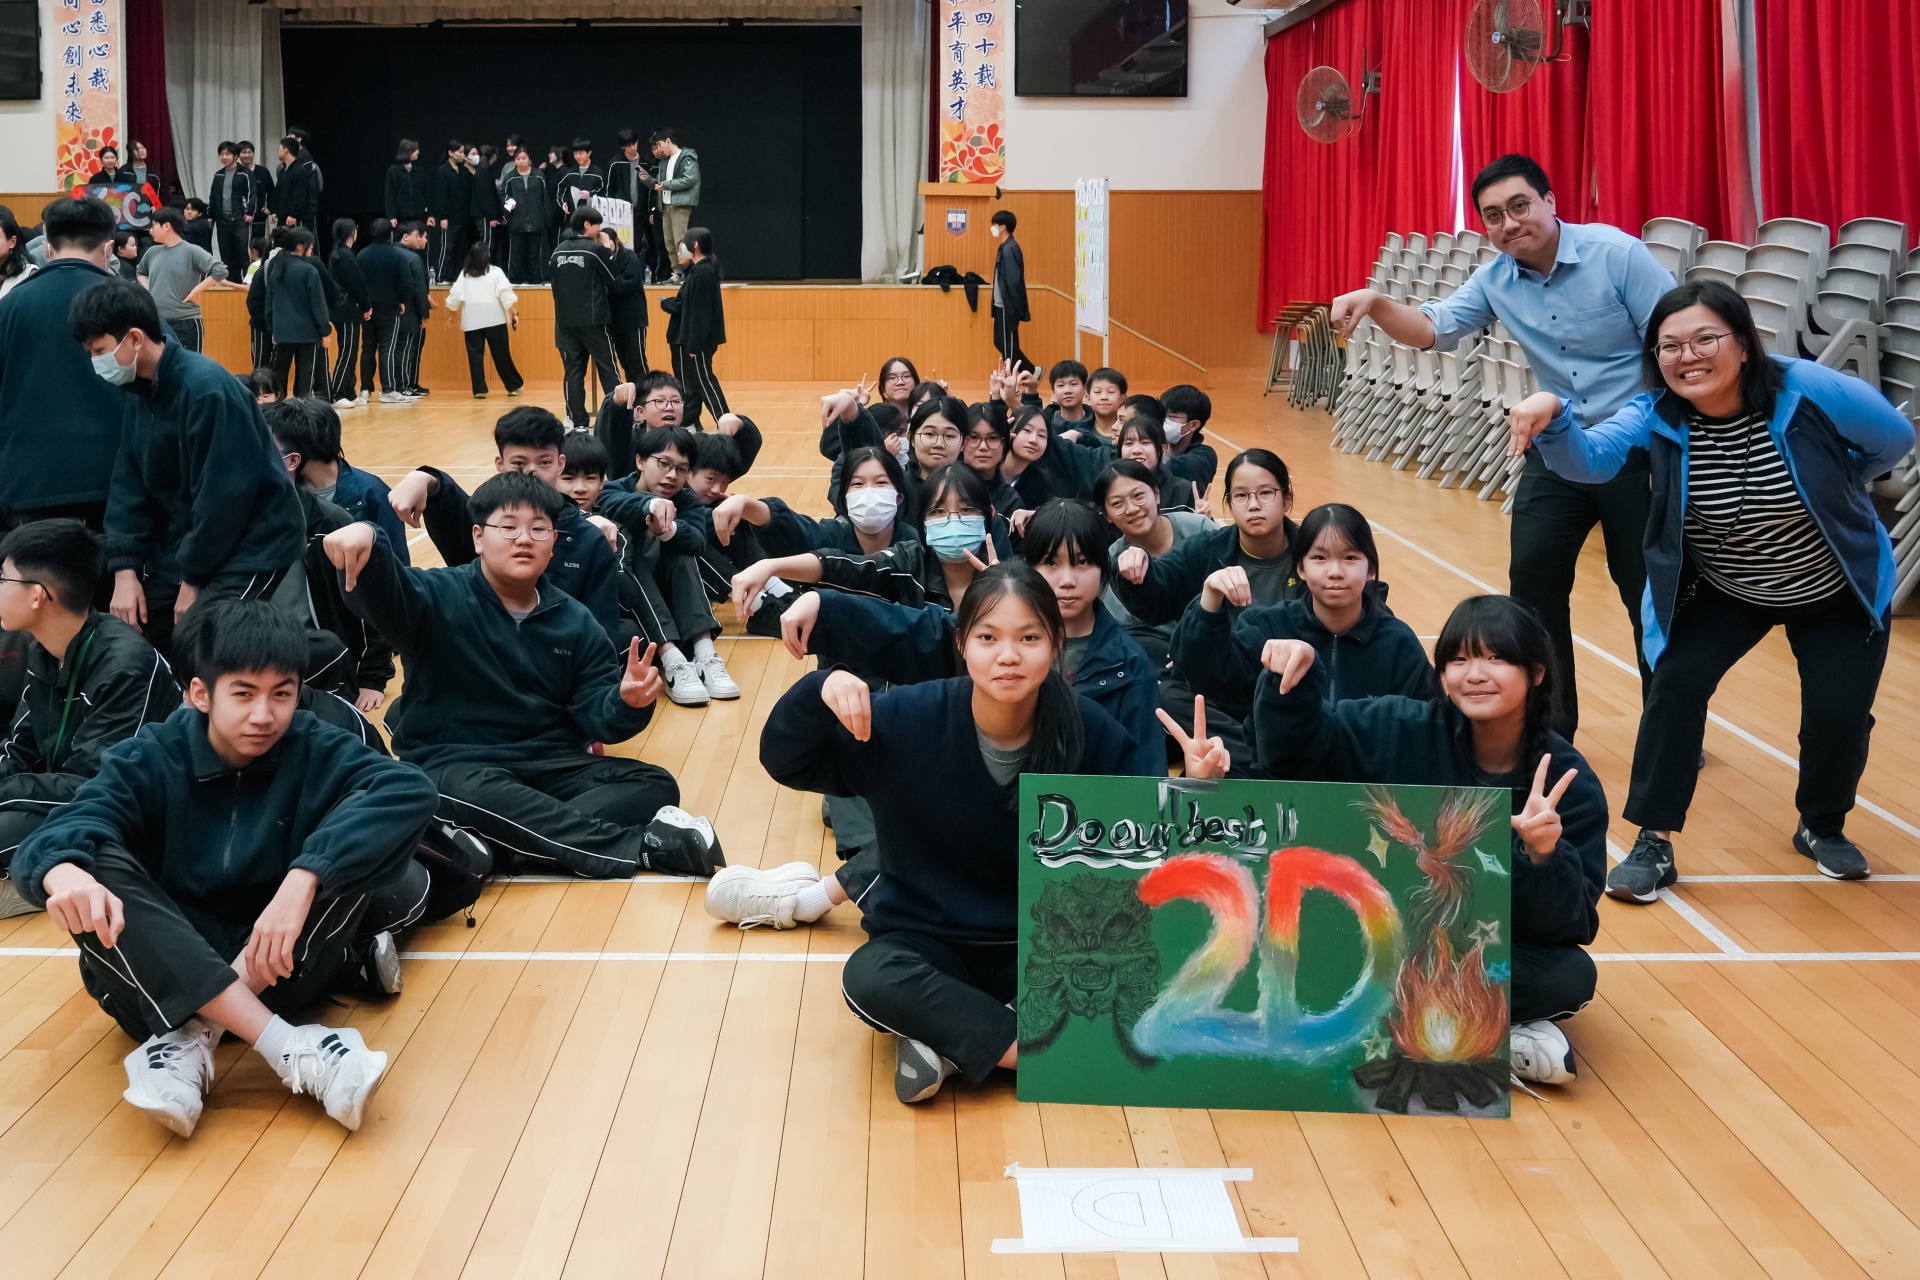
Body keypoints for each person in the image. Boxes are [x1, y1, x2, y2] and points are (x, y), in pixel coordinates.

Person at [1508, 281, 1915, 895]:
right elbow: (1589, 461)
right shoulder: (1655, 415)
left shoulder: (1807, 390)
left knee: (1838, 715)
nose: (1688, 356)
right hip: (1728, 585)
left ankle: (1822, 826)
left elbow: (1894, 439)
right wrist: (1555, 412)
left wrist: (1841, 480)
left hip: (1837, 587)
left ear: (1744, 344)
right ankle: (1653, 841)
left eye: (1705, 338)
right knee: (1673, 687)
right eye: (1669, 346)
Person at [10, 600, 433, 1136]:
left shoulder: (314, 745)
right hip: (153, 990)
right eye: (244, 694)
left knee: (350, 848)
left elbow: (408, 789)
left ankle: (191, 1041)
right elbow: (56, 833)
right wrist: (62, 871)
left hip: (278, 968)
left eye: (282, 694)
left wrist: (303, 879)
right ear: (199, 693)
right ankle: (289, 1047)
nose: (264, 715)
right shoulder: (152, 756)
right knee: (85, 860)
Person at [756, 562, 1151, 1102]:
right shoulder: (906, 719)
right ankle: (1034, 1051)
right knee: (869, 976)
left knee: (1135, 963)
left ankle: (949, 1044)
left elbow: (1143, 828)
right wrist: (818, 689)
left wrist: (1199, 786)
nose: (1008, 655)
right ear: (961, 643)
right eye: (988, 638)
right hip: (927, 942)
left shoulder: (1086, 728)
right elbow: (787, 761)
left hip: (1041, 945)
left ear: (1056, 644)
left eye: (1029, 638)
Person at [1331, 154, 1674, 740]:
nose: (1510, 223)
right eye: (1494, 215)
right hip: (1557, 442)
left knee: (1645, 592)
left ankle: (1670, 728)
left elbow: (1676, 337)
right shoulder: (1496, 279)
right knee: (1533, 587)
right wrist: (1377, 302)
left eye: (1520, 206)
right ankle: (1550, 729)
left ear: (1549, 201)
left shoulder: (1617, 256)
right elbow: (1434, 329)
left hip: (1635, 449)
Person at [1239, 594, 1608, 1086]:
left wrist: (1543, 858)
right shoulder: (1401, 727)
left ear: (1537, 672)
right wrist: (1295, 683)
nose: (1475, 674)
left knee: (1569, 976)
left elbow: (1568, 926)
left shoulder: (1570, 784)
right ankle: (1485, 1029)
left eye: (1496, 658)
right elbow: (1298, 753)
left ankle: (1397, 1017)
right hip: (1377, 935)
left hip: (1473, 955)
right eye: (1459, 659)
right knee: (1290, 938)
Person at [322, 471, 725, 880]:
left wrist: (626, 702)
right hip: (457, 765)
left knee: (654, 783)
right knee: (453, 792)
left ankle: (507, 845)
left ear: (553, 542)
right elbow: (380, 594)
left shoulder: (575, 621)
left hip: (548, 765)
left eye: (538, 529)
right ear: (478, 537)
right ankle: (639, 849)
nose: (524, 539)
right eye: (508, 527)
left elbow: (597, 715)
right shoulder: (435, 595)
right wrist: (367, 534)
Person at [76, 281, 305, 653]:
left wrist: (192, 580)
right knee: (135, 633)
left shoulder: (207, 390)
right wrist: (125, 569)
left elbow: (223, 500)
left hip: (253, 543)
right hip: (189, 545)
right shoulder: (139, 391)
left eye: (99, 351)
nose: (94, 362)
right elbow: (128, 486)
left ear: (134, 338)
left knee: (202, 644)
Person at [0, 520, 178, 919]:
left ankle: (31, 885)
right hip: (66, 800)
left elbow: (95, 783)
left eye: (2, 579)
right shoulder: (44, 651)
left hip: (132, 817)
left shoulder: (124, 665)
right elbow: (18, 749)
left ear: (37, 595)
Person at [1170, 503, 1438, 738]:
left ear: (1371, 569)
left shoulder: (1398, 642)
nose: (1335, 571)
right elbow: (1207, 676)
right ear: (1300, 568)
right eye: (1319, 558)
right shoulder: (1267, 626)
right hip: (1281, 773)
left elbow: (1429, 724)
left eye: (1350, 558)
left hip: (1367, 778)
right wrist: (1209, 601)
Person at [1112, 449, 1300, 759]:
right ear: (1229, 503)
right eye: (1241, 496)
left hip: (1289, 684)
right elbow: (1158, 597)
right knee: (1168, 695)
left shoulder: (1310, 553)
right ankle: (1260, 760)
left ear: (1287, 499)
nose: (1254, 505)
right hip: (1222, 690)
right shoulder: (1208, 549)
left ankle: (1251, 758)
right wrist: (1138, 572)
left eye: (1266, 493)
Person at [386, 406, 620, 640]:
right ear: (500, 464)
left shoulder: (590, 539)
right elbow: (455, 509)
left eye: (544, 463)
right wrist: (428, 479)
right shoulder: (485, 526)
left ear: (560, 463)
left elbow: (602, 632)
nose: (532, 472)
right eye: (519, 463)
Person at [0, 197, 122, 532]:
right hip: (114, 480)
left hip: (27, 481)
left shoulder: (10, 305)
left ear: (48, 247)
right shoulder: (129, 303)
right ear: (109, 247)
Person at [598, 425, 739, 705]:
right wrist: (650, 505)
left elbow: (698, 541)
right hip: (627, 598)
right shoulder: (614, 490)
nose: (672, 475)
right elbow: (610, 503)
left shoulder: (687, 501)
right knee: (633, 558)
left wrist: (668, 530)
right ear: (640, 461)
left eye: (682, 469)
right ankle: (672, 660)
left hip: (670, 599)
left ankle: (705, 654)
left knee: (683, 552)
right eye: (664, 464)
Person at [1094, 459, 1214, 669]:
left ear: (1157, 494)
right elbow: (1128, 629)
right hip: (1160, 659)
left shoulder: (1198, 527)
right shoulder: (1113, 562)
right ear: (1107, 516)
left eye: (1138, 495)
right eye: (1117, 504)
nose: (1132, 509)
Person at [549, 208, 626, 429]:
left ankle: (578, 422)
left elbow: (555, 287)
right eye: (597, 225)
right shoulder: (595, 250)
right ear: (586, 225)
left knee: (573, 373)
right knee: (608, 369)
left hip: (565, 322)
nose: (600, 229)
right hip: (594, 321)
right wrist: (608, 248)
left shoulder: (557, 252)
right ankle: (617, 419)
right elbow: (613, 278)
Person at [137, 208, 229, 353]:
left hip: (186, 322)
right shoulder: (152, 252)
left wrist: (196, 290)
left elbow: (221, 270)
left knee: (189, 363)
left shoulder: (192, 251)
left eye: (153, 225)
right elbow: (141, 272)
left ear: (166, 226)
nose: (150, 230)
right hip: (158, 321)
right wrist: (149, 289)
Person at [444, 243, 524, 399]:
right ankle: (513, 385)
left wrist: (452, 314)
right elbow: (505, 294)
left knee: (475, 356)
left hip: (472, 320)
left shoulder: (465, 274)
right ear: (487, 255)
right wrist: (515, 313)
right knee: (501, 354)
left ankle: (479, 389)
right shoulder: (496, 272)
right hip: (494, 319)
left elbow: (456, 296)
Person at [665, 227, 726, 426]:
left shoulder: (702, 272)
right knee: (699, 381)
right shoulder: (702, 269)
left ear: (695, 245)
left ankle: (726, 422)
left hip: (700, 341)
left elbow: (701, 314)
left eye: (685, 244)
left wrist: (694, 345)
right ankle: (698, 421)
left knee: (705, 381)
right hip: (699, 339)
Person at [263, 227, 331, 400]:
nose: (312, 248)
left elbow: (269, 302)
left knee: (279, 372)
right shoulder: (309, 270)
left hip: (283, 331)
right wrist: (325, 330)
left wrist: (273, 329)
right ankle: (301, 409)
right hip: (307, 333)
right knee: (305, 376)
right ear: (300, 246)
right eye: (310, 245)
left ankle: (276, 406)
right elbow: (318, 304)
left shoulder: (276, 267)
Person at [355, 219, 414, 405]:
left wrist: (363, 304)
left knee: (367, 348)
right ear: (390, 234)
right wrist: (402, 300)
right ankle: (388, 389)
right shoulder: (397, 256)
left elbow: (357, 282)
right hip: (390, 308)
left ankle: (365, 389)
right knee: (387, 348)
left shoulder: (362, 255)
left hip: (367, 310)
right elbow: (406, 282)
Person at [1114, 406, 1200, 513]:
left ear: (1163, 449)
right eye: (1129, 443)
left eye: (1145, 443)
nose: (1136, 450)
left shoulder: (1182, 491)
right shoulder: (1108, 488)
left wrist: (1203, 518)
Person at [326, 218, 373, 408]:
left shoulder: (340, 253)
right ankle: (337, 393)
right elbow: (358, 284)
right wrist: (366, 305)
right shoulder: (345, 255)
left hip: (343, 309)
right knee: (347, 352)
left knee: (351, 351)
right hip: (347, 310)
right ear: (352, 232)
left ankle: (349, 392)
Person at [650, 129, 700, 284]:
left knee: (681, 239)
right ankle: (676, 272)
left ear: (668, 141)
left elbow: (690, 178)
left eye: (660, 144)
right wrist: (648, 180)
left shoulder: (686, 156)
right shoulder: (666, 161)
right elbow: (661, 183)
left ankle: (688, 271)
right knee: (669, 241)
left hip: (680, 204)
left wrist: (667, 185)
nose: (658, 149)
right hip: (666, 205)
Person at [601, 226, 649, 384]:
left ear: (616, 241)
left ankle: (647, 394)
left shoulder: (629, 256)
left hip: (633, 320)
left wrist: (608, 284)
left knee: (637, 362)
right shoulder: (602, 260)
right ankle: (634, 397)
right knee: (625, 363)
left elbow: (625, 284)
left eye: (607, 242)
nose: (605, 247)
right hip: (615, 321)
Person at [208, 142, 261, 282]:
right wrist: (211, 215)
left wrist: (250, 212)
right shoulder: (218, 175)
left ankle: (249, 283)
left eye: (228, 154)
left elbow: (252, 194)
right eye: (221, 154)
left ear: (235, 156)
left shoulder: (245, 173)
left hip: (239, 219)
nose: (224, 157)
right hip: (222, 221)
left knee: (243, 253)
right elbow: (213, 197)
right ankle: (232, 283)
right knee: (226, 255)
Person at [394, 221, 433, 397]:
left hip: (391, 311)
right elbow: (419, 289)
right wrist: (424, 314)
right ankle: (406, 385)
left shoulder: (391, 253)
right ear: (405, 236)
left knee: (398, 349)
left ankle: (403, 384)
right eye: (420, 236)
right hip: (410, 312)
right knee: (408, 349)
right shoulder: (412, 258)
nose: (423, 240)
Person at [427, 140, 473, 284]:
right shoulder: (443, 171)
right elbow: (441, 196)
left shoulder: (464, 171)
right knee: (447, 248)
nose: (462, 155)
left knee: (461, 250)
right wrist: (443, 217)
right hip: (450, 218)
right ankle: (441, 277)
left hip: (463, 217)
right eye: (460, 152)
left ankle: (457, 278)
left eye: (463, 152)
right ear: (451, 153)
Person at [501, 148, 550, 284]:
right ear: (514, 161)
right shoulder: (510, 177)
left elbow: (545, 199)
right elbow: (502, 195)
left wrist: (545, 218)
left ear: (529, 159)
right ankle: (515, 281)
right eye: (518, 159)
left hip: (536, 222)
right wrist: (508, 204)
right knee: (516, 255)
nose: (521, 161)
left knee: (534, 255)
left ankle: (535, 281)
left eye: (524, 158)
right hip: (517, 222)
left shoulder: (539, 176)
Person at [1159, 384, 1220, 491]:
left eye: (1172, 417)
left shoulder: (1203, 457)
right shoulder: (1155, 449)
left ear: (1193, 425)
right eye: (1163, 415)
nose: (1165, 421)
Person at [989, 209, 1027, 364]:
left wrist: (1013, 307)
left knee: (1008, 345)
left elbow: (1013, 280)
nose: (992, 228)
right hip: (1000, 303)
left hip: (1007, 305)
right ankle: (1032, 370)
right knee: (1000, 341)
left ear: (1002, 227)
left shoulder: (1010, 248)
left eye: (994, 225)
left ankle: (1022, 373)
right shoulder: (1005, 247)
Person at [271, 135, 322, 230]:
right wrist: (274, 211)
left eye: (279, 148)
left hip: (296, 219)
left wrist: (293, 214)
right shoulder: (282, 171)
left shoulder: (300, 170)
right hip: (283, 218)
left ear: (286, 150)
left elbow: (299, 195)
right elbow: (278, 193)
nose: (278, 151)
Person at [382, 139, 430, 227]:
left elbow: (427, 193)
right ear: (408, 152)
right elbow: (389, 195)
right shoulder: (394, 171)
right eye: (415, 150)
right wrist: (391, 216)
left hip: (419, 216)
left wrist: (431, 214)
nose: (418, 152)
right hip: (401, 217)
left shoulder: (419, 171)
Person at [556, 138, 604, 219]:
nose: (577, 156)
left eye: (581, 153)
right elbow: (561, 190)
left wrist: (590, 194)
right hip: (572, 217)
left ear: (589, 153)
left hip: (592, 217)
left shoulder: (598, 173)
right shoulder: (570, 173)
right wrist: (563, 202)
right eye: (575, 153)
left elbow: (604, 192)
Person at [1045, 360, 1093, 434]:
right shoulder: (1044, 423)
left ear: (1084, 389)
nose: (1067, 390)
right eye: (1061, 385)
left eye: (1073, 384)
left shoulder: (1097, 422)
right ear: (1054, 392)